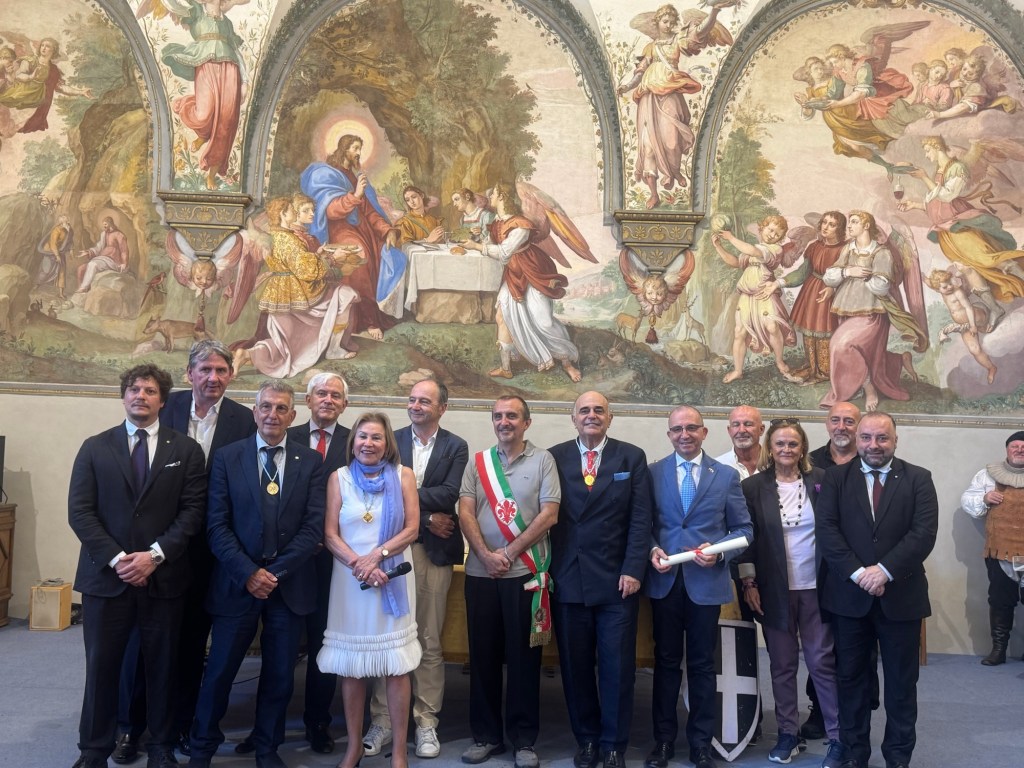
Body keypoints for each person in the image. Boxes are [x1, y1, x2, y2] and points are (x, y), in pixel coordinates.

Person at [68, 364, 207, 768]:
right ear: (123, 396)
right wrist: (118, 559)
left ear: (163, 400)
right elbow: (80, 513)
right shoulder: (95, 447)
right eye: (133, 389)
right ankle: (93, 749)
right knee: (101, 667)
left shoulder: (186, 451)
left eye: (149, 390)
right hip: (106, 579)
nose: (140, 396)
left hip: (163, 578)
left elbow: (192, 512)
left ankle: (160, 746)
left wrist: (154, 556)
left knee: (162, 666)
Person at [188, 381, 326, 768]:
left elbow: (312, 528)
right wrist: (249, 572)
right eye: (266, 406)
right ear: (255, 412)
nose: (272, 415)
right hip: (237, 583)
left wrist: (274, 573)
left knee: (279, 677)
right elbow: (216, 525)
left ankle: (267, 748)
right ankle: (201, 749)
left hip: (287, 586)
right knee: (219, 673)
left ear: (293, 416)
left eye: (281, 408)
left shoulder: (310, 462)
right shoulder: (228, 458)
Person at [233, 372, 352, 756]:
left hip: (333, 562)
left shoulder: (358, 441)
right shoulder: (283, 432)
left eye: (336, 395)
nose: (328, 400)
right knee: (278, 652)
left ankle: (318, 722)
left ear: (344, 404)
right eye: (321, 393)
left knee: (322, 645)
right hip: (286, 564)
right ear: (307, 400)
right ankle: (265, 730)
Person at [815, 412, 938, 768]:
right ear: (857, 440)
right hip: (849, 598)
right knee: (851, 680)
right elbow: (827, 531)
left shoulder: (918, 478)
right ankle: (855, 754)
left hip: (901, 597)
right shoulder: (836, 478)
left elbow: (923, 534)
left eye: (882, 438)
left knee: (902, 684)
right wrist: (860, 574)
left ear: (895, 440)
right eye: (867, 437)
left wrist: (883, 572)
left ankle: (898, 757)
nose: (874, 445)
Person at [156, 339, 256, 755]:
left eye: (221, 371)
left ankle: (183, 724)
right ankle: (136, 725)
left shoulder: (244, 420)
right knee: (154, 640)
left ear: (230, 375)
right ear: (190, 373)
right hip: (163, 545)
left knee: (194, 639)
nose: (213, 378)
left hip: (211, 551)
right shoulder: (166, 407)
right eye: (205, 370)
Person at [364, 379, 469, 759]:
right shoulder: (390, 441)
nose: (416, 406)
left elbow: (449, 493)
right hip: (392, 549)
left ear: (442, 407)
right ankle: (382, 720)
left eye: (424, 401)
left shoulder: (456, 446)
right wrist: (424, 517)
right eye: (411, 400)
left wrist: (405, 496)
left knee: (428, 639)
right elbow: (379, 487)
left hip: (433, 553)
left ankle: (426, 722)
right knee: (389, 637)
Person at [548, 391, 653, 768]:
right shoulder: (554, 456)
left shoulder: (631, 456)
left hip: (617, 580)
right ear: (573, 418)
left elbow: (641, 518)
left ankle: (613, 745)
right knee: (575, 669)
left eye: (598, 410)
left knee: (617, 668)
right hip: (569, 578)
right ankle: (588, 740)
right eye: (584, 410)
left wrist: (633, 568)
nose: (591, 415)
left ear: (610, 417)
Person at [644, 405, 753, 768]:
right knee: (665, 662)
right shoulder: (653, 473)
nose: (685, 435)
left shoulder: (725, 476)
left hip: (705, 583)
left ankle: (701, 744)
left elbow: (744, 530)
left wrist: (719, 554)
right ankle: (663, 742)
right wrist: (652, 549)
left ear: (704, 432)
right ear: (669, 435)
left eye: (692, 428)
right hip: (665, 582)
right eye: (677, 429)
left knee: (703, 665)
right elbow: (643, 525)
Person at [458, 395, 560, 768]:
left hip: (524, 576)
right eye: (498, 416)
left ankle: (523, 740)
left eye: (512, 416)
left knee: (523, 660)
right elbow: (465, 511)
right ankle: (486, 736)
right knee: (482, 657)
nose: (504, 422)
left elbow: (549, 514)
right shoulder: (478, 462)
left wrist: (509, 552)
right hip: (481, 574)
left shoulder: (544, 460)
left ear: (526, 422)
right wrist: (486, 555)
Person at [317, 412, 422, 768]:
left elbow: (412, 529)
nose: (368, 443)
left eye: (376, 437)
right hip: (350, 581)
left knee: (396, 668)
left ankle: (399, 751)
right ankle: (354, 747)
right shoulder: (339, 478)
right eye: (362, 436)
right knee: (352, 668)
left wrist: (377, 557)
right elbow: (330, 534)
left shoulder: (403, 475)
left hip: (392, 576)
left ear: (387, 443)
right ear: (353, 442)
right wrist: (359, 564)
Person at [737, 420, 844, 768]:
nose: (786, 450)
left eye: (793, 444)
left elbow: (837, 531)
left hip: (817, 588)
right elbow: (746, 539)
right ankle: (787, 734)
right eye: (780, 444)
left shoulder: (824, 481)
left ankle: (838, 736)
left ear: (802, 448)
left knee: (821, 663)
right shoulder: (753, 487)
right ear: (770, 448)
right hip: (773, 590)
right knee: (782, 664)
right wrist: (749, 582)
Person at [460, 183, 582, 382]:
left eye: (493, 193)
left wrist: (476, 246)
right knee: (502, 316)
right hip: (513, 274)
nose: (489, 197)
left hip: (533, 272)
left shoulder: (520, 224)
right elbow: (493, 244)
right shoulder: (497, 222)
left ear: (502, 196)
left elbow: (504, 252)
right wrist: (479, 236)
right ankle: (506, 367)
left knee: (544, 322)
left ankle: (567, 361)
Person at [899, 135, 1024, 327]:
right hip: (946, 233)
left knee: (988, 258)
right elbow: (938, 205)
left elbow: (947, 196)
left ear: (936, 147)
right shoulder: (939, 172)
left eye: (927, 150)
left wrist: (924, 177)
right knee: (968, 270)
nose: (926, 155)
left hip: (959, 227)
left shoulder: (958, 168)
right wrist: (915, 205)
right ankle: (995, 309)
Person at [617, 3, 734, 209]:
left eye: (672, 22)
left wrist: (714, 11)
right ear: (657, 23)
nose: (669, 25)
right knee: (648, 146)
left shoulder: (678, 39)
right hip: (649, 97)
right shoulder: (650, 47)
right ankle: (654, 194)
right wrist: (627, 85)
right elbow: (639, 73)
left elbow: (700, 32)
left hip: (670, 94)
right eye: (665, 21)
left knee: (672, 140)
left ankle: (674, 171)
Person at [233, 196, 360, 376]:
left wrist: (318, 254)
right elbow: (306, 270)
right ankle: (333, 349)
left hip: (283, 291)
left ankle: (248, 354)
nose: (295, 212)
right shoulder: (287, 239)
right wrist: (333, 258)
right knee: (345, 295)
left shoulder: (277, 235)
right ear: (283, 214)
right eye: (292, 210)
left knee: (287, 343)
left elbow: (297, 262)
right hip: (295, 292)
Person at [300, 133, 406, 340]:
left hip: (362, 230)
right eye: (355, 148)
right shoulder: (327, 174)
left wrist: (387, 231)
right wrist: (355, 195)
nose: (358, 153)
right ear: (344, 149)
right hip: (338, 230)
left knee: (386, 252)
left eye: (360, 149)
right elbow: (331, 210)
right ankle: (366, 319)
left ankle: (375, 312)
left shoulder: (355, 177)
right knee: (358, 256)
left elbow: (370, 211)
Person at [819, 211, 915, 412]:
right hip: (846, 309)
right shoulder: (848, 249)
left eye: (854, 222)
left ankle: (869, 386)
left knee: (841, 345)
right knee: (864, 352)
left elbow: (882, 286)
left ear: (866, 226)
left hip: (871, 312)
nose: (849, 226)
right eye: (849, 222)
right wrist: (848, 271)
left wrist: (865, 277)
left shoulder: (881, 253)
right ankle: (897, 361)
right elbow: (830, 277)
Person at [160, 0, 246, 190]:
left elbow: (237, 53)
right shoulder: (196, 12)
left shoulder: (227, 22)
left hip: (230, 69)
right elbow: (174, 6)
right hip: (206, 66)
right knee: (203, 114)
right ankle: (201, 131)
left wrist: (245, 82)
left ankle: (212, 174)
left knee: (226, 121)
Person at [711, 217, 803, 384]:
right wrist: (719, 247)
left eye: (777, 234)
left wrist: (730, 238)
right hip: (747, 296)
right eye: (770, 229)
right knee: (739, 332)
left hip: (764, 294)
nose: (772, 235)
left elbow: (755, 252)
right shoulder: (752, 249)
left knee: (772, 326)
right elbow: (735, 262)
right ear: (762, 228)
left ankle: (779, 361)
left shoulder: (775, 250)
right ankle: (738, 370)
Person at [959, 430, 1024, 666]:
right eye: (1015, 446)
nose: (1020, 450)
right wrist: (985, 499)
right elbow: (967, 501)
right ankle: (998, 650)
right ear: (1007, 449)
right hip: (1000, 552)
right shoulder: (987, 475)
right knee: (999, 601)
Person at [784, 211, 848, 383]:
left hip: (832, 294)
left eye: (832, 224)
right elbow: (802, 272)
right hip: (811, 291)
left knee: (825, 332)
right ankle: (812, 368)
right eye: (824, 222)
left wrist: (833, 287)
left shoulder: (846, 249)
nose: (826, 227)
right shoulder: (814, 246)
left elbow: (849, 276)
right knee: (809, 332)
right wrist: (780, 282)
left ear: (840, 228)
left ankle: (825, 372)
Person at [75, 217, 129, 295]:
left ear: (110, 224)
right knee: (81, 269)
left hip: (113, 261)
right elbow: (99, 247)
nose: (104, 226)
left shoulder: (119, 235)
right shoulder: (104, 234)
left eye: (105, 224)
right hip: (103, 259)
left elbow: (124, 250)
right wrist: (88, 252)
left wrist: (124, 263)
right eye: (103, 224)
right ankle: (81, 292)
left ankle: (84, 288)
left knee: (93, 264)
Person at [713, 404, 765, 480]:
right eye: (736, 425)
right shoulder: (717, 466)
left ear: (761, 430)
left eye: (748, 424)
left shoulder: (776, 463)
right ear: (729, 430)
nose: (741, 430)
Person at [36, 213, 75, 300]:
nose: (65, 219)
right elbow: (53, 244)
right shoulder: (56, 230)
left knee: (62, 271)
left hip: (61, 252)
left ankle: (61, 293)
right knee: (46, 270)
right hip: (50, 252)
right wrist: (57, 255)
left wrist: (71, 250)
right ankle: (38, 284)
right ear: (61, 221)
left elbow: (70, 241)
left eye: (65, 218)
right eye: (63, 218)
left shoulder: (70, 230)